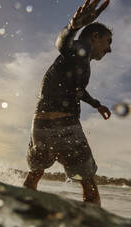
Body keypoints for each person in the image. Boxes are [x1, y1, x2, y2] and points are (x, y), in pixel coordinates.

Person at [23, 0, 112, 207]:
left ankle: (22, 215)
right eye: (108, 42)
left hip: (40, 127)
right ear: (95, 37)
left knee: (34, 175)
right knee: (87, 182)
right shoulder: (79, 49)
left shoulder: (77, 62)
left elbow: (76, 90)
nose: (109, 50)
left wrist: (96, 104)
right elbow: (63, 45)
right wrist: (72, 27)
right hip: (65, 127)